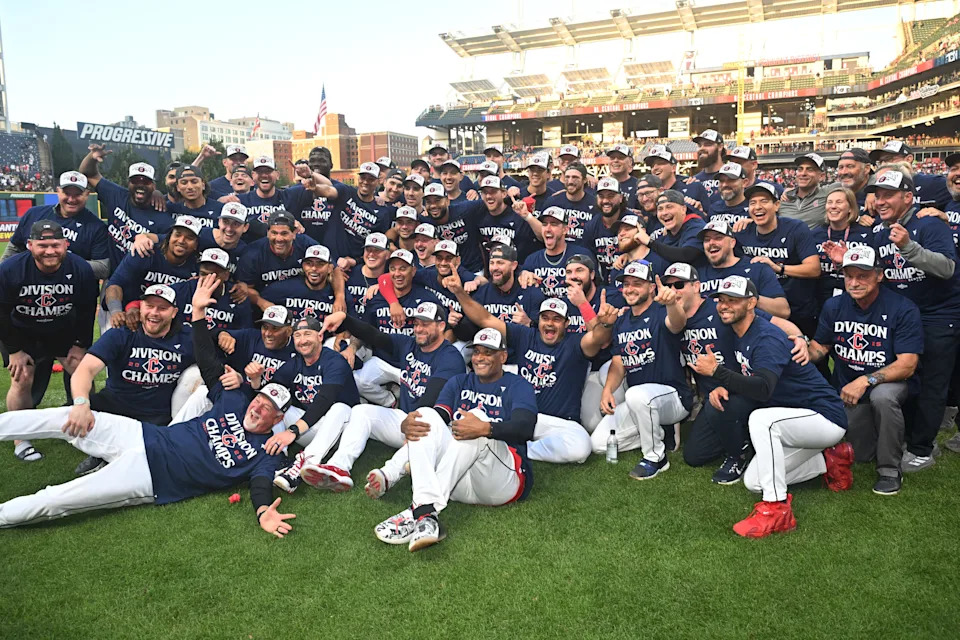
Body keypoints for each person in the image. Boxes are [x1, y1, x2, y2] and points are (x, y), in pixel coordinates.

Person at [0, 275, 296, 537]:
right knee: (63, 416)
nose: (257, 408)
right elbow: (207, 360)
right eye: (259, 399)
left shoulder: (265, 451)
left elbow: (261, 483)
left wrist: (263, 512)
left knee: (60, 498)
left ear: (277, 418)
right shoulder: (234, 400)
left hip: (152, 476)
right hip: (143, 434)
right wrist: (199, 311)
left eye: (267, 408)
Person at [696, 275, 851, 539]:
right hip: (795, 420)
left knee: (761, 420)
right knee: (754, 482)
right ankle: (829, 460)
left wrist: (717, 373)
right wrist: (725, 384)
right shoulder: (736, 329)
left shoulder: (766, 337)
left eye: (733, 300)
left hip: (824, 417)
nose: (724, 305)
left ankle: (777, 509)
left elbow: (763, 389)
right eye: (721, 300)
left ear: (751, 303)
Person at [372, 327, 537, 552]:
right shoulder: (459, 382)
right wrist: (408, 424)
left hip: (501, 481)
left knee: (475, 419)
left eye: (488, 352)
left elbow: (525, 427)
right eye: (477, 352)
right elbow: (438, 418)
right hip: (457, 482)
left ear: (503, 357)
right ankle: (426, 514)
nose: (480, 358)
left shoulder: (518, 385)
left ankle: (418, 509)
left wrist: (486, 428)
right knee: (426, 415)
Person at [450, 273, 617, 464]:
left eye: (556, 319)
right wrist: (459, 292)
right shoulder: (525, 335)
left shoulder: (575, 343)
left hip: (556, 422)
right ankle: (504, 439)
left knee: (580, 446)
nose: (550, 323)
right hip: (520, 415)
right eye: (545, 318)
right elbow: (485, 319)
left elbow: (598, 339)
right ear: (538, 320)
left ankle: (518, 449)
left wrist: (606, 324)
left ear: (566, 323)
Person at [306, 302, 465, 494]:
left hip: (437, 429)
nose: (418, 329)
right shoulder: (409, 344)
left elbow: (431, 399)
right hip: (406, 419)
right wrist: (345, 319)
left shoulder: (450, 358)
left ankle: (389, 475)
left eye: (425, 324)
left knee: (423, 420)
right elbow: (375, 336)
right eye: (416, 324)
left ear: (441, 326)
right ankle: (339, 467)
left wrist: (411, 426)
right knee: (361, 411)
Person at [675, 265, 809, 484]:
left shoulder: (729, 313)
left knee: (729, 406)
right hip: (714, 394)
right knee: (694, 456)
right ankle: (743, 437)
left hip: (745, 387)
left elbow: (778, 323)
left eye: (679, 285)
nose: (674, 290)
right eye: (669, 285)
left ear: (696, 286)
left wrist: (801, 338)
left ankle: (738, 453)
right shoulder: (672, 318)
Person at [808, 247, 922, 496]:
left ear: (879, 275)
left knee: (883, 397)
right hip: (849, 388)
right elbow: (820, 347)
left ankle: (889, 469)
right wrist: (798, 351)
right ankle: (882, 435)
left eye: (863, 276)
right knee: (860, 454)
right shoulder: (834, 305)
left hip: (890, 383)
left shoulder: (902, 308)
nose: (854, 282)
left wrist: (865, 380)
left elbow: (908, 364)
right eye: (849, 276)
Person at [867, 169, 960, 472]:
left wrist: (909, 247)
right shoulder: (880, 231)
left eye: (888, 195)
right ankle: (908, 437)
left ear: (908, 197)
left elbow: (947, 268)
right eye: (878, 195)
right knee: (906, 381)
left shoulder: (929, 224)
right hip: (904, 316)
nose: (881, 201)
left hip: (938, 315)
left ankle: (922, 448)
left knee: (932, 384)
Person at [69, 283, 200, 476]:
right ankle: (104, 453)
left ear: (174, 312)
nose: (154, 313)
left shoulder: (189, 338)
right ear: (141, 307)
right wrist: (81, 403)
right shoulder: (121, 333)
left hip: (156, 416)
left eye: (162, 308)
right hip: (114, 407)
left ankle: (109, 454)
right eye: (149, 306)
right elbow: (85, 369)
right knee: (68, 415)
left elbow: (213, 366)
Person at [0, 221, 98, 462]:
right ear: (29, 245)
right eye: (42, 245)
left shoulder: (80, 269)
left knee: (80, 368)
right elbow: (1, 313)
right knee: (22, 377)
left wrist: (80, 344)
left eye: (55, 245)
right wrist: (14, 350)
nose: (50, 251)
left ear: (66, 244)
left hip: (62, 329)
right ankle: (21, 438)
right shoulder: (11, 269)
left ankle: (87, 425)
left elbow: (87, 310)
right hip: (22, 331)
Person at [597, 261, 690, 479]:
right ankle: (657, 430)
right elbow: (618, 362)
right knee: (599, 444)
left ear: (651, 287)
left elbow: (678, 323)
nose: (630, 289)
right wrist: (607, 390)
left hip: (673, 397)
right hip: (639, 402)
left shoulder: (662, 311)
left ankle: (655, 457)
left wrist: (672, 303)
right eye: (626, 284)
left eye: (637, 284)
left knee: (636, 394)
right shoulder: (621, 321)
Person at [259, 316, 360, 493]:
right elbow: (272, 389)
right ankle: (279, 459)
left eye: (308, 334)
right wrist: (254, 381)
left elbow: (324, 401)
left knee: (340, 407)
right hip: (313, 426)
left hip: (342, 431)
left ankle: (306, 462)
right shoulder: (295, 363)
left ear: (320, 336)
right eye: (298, 336)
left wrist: (293, 431)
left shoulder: (335, 361)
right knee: (277, 404)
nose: (302, 340)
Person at [352, 250, 441, 406]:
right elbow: (366, 329)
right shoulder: (377, 296)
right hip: (383, 359)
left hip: (415, 362)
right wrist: (352, 347)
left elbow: (441, 331)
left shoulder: (426, 298)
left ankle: (401, 394)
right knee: (357, 380)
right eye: (393, 269)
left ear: (413, 271)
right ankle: (391, 401)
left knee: (421, 401)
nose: (397, 274)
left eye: (403, 269)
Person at [736, 182, 821, 336]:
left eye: (764, 201)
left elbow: (814, 269)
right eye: (752, 203)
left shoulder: (796, 228)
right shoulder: (742, 231)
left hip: (798, 310)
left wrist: (778, 268)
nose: (757, 207)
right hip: (761, 310)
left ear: (776, 205)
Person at [78, 145, 173, 268]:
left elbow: (172, 245)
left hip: (141, 275)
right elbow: (87, 173)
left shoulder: (162, 216)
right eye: (135, 181)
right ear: (128, 183)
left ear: (153, 186)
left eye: (146, 182)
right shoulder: (116, 195)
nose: (140, 185)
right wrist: (92, 157)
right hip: (112, 272)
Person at [102, 216, 202, 331]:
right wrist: (116, 312)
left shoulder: (198, 266)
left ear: (196, 245)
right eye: (177, 235)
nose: (181, 241)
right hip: (128, 315)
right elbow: (115, 283)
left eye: (189, 238)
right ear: (169, 237)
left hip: (167, 322)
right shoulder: (145, 251)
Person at [697, 220, 789, 317]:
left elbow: (784, 311)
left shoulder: (756, 268)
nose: (711, 243)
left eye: (718, 238)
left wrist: (746, 296)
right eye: (707, 240)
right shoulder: (697, 273)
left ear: (732, 243)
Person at [234, 210, 320, 302]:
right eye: (274, 233)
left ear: (294, 233)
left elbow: (328, 267)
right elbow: (245, 288)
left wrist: (336, 297)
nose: (279, 239)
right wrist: (264, 304)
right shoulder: (252, 253)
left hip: (301, 300)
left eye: (284, 233)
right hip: (266, 301)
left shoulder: (306, 244)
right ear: (268, 233)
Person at [814, 187, 873, 307]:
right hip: (820, 297)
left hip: (856, 296)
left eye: (839, 202)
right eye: (829, 202)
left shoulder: (865, 233)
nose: (833, 206)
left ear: (850, 208)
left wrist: (847, 260)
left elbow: (874, 270)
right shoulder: (815, 234)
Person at [259, 244, 346, 324]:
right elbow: (258, 303)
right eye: (309, 263)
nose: (314, 268)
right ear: (303, 266)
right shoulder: (284, 288)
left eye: (320, 264)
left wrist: (344, 333)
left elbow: (350, 325)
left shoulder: (338, 295)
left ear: (330, 268)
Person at [518, 207, 592, 299]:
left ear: (565, 229)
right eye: (544, 224)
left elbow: (593, 290)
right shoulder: (532, 260)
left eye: (554, 224)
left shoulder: (582, 255)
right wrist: (524, 276)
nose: (548, 229)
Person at [475, 175, 542, 263]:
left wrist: (527, 216)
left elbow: (543, 236)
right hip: (492, 268)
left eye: (493, 192)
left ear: (504, 193)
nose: (488, 196)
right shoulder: (478, 215)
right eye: (485, 192)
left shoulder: (517, 214)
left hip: (517, 267)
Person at [869, 140, 952, 210]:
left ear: (909, 159)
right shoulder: (878, 191)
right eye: (881, 162)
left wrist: (944, 216)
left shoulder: (934, 183)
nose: (884, 164)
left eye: (889, 159)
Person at [235, 155, 316, 225]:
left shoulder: (291, 196)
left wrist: (310, 174)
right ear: (253, 175)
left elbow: (323, 187)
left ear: (277, 175)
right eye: (260, 172)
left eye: (268, 171)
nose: (264, 175)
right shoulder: (241, 201)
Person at [632, 190, 706, 266]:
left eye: (669, 207)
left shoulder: (696, 226)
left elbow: (686, 255)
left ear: (683, 209)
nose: (664, 213)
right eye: (660, 209)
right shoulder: (667, 233)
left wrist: (649, 241)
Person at [581, 177, 631, 279]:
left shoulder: (632, 221)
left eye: (611, 196)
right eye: (601, 196)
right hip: (603, 281)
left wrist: (630, 255)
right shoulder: (591, 226)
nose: (605, 201)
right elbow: (588, 260)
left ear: (621, 198)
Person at [543, 162, 598, 247]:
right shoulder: (553, 201)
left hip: (584, 252)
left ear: (584, 180)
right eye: (567, 177)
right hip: (559, 251)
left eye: (575, 177)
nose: (570, 181)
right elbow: (542, 228)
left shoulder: (594, 204)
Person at [643, 145, 710, 214]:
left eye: (660, 163)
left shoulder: (693, 187)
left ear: (673, 168)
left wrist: (699, 212)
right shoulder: (648, 195)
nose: (655, 168)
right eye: (652, 166)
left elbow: (708, 216)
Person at [780, 153, 829, 230]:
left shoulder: (827, 193)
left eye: (810, 170)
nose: (803, 173)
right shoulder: (783, 198)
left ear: (821, 176)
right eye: (800, 169)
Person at [835, 148, 875, 224]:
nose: (844, 172)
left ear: (866, 169)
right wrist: (856, 219)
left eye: (850, 166)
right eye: (841, 167)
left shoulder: (881, 193)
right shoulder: (834, 190)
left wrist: (873, 190)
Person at [691, 129, 725, 201]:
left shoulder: (731, 176)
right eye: (699, 145)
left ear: (720, 147)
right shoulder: (694, 180)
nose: (702, 148)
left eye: (707, 144)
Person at [606, 144, 639, 208]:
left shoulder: (638, 186)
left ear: (630, 161)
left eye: (620, 157)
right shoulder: (601, 185)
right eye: (612, 158)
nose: (615, 160)